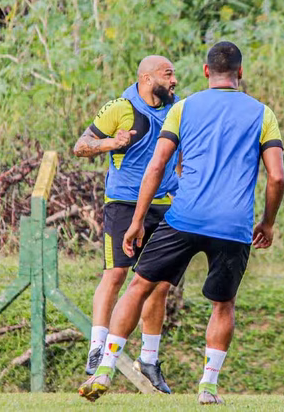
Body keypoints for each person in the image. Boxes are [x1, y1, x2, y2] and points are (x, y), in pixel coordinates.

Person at [78, 41, 284, 405]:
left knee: (138, 286)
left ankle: (106, 367)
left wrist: (138, 220)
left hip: (184, 216)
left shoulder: (184, 108)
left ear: (206, 71)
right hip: (234, 225)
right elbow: (277, 177)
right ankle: (208, 387)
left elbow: (157, 166)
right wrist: (267, 223)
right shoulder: (262, 113)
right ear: (240, 72)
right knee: (223, 304)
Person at [72, 55, 180, 394]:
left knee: (159, 284)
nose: (174, 80)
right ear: (147, 79)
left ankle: (149, 359)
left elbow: (182, 154)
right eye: (168, 74)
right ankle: (97, 349)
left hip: (164, 204)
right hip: (123, 202)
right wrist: (111, 143)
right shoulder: (121, 107)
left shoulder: (178, 109)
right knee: (116, 274)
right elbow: (81, 146)